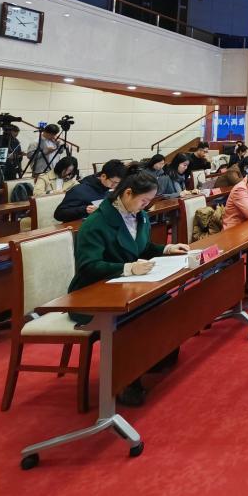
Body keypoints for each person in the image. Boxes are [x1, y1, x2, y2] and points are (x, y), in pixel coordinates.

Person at [68, 169, 191, 406]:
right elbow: (89, 266)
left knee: (163, 303)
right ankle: (127, 381)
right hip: (93, 293)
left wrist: (166, 249)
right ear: (127, 193)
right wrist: (127, 268)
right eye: (143, 200)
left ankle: (157, 358)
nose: (146, 206)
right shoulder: (97, 223)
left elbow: (141, 248)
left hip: (126, 286)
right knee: (133, 316)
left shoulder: (138, 215)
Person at [55, 159, 126, 222]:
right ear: (103, 176)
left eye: (118, 183)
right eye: (114, 182)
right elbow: (59, 214)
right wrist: (85, 209)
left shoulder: (109, 190)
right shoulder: (79, 190)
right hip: (80, 227)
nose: (115, 185)